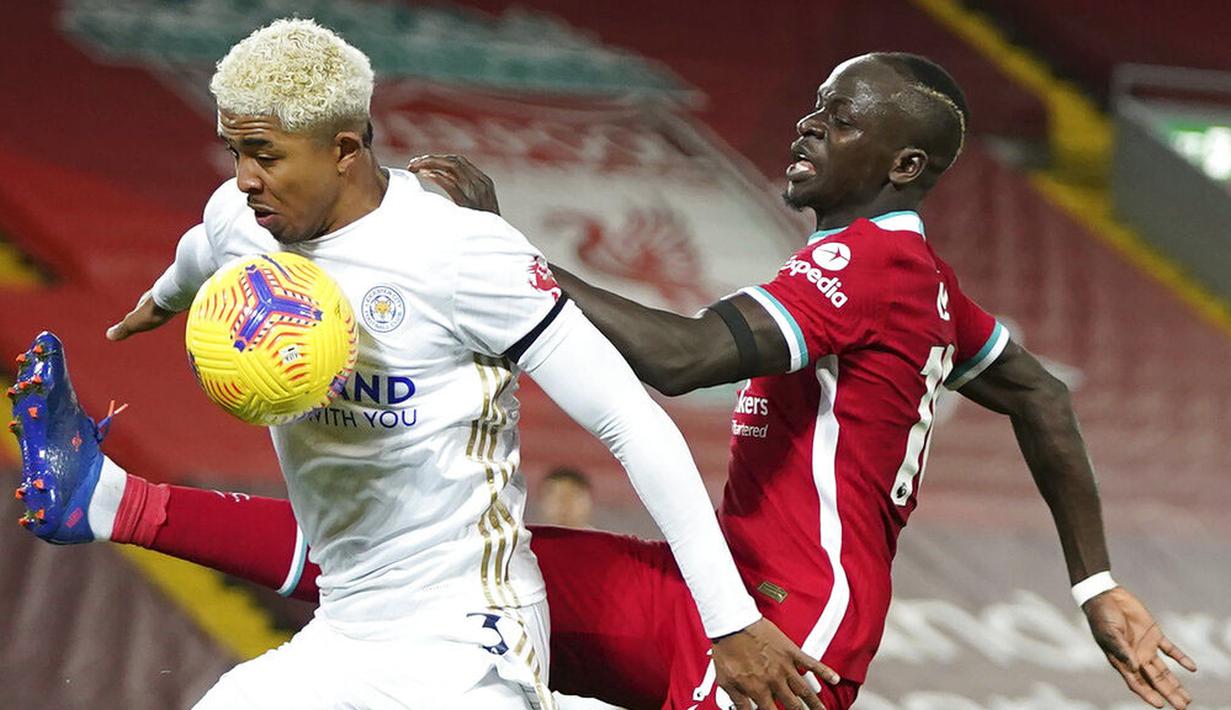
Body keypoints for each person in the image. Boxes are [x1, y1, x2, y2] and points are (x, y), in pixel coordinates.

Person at [10, 52, 1196, 709]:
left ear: (898, 163)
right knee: (420, 563)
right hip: (721, 581)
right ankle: (114, 503)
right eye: (811, 98)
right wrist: (1092, 582)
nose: (802, 123)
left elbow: (680, 359)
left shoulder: (865, 260)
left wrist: (498, 257)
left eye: (834, 117)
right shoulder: (921, 279)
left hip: (786, 624)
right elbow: (1040, 392)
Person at [7, 18, 833, 710]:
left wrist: (726, 620)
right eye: (233, 153)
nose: (245, 179)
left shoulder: (460, 256)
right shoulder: (243, 220)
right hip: (348, 625)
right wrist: (160, 300)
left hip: (469, 641)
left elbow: (631, 422)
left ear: (343, 148)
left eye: (263, 154)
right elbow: (202, 246)